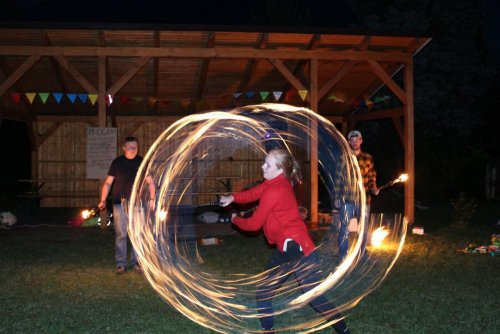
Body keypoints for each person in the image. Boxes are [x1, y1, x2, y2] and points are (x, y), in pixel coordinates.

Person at [220, 149, 350, 334]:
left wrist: (234, 218)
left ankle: (343, 330)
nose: (262, 166)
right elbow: (253, 193)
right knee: (267, 292)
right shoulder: (275, 183)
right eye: (264, 162)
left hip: (296, 248)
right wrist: (232, 197)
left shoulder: (275, 189)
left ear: (280, 169)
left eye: (268, 164)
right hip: (289, 246)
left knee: (312, 297)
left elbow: (254, 224)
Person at [98, 136, 156, 274]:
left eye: (135, 147)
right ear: (124, 148)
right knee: (121, 234)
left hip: (138, 204)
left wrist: (152, 199)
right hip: (119, 204)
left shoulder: (141, 162)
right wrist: (102, 199)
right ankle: (120, 263)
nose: (132, 150)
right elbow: (108, 183)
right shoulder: (117, 163)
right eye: (130, 147)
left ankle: (137, 261)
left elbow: (151, 182)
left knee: (137, 234)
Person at [333, 130, 378, 260]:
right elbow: (338, 179)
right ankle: (343, 255)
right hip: (347, 199)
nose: (354, 142)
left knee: (363, 228)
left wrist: (373, 188)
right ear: (348, 142)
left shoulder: (368, 158)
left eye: (357, 139)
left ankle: (362, 253)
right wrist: (336, 197)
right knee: (344, 228)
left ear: (361, 141)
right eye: (352, 140)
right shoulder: (344, 158)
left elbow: (371, 176)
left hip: (364, 200)